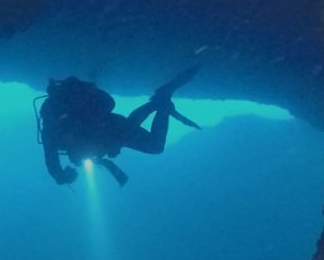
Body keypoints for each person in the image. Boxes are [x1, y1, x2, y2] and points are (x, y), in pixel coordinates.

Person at [37, 66, 201, 186]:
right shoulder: (55, 129)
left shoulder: (52, 130)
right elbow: (52, 162)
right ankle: (161, 101)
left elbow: (51, 161)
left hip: (108, 128)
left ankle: (162, 102)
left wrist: (61, 177)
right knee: (136, 133)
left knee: (153, 145)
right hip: (111, 126)